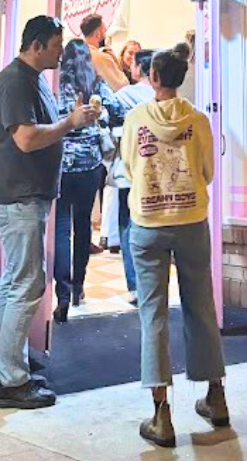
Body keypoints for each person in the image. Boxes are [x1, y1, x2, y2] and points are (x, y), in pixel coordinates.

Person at [0, 15, 98, 410]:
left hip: (27, 197)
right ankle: (10, 381)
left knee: (17, 282)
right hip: (18, 199)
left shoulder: (34, 82)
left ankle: (7, 365)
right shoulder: (16, 82)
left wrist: (73, 121)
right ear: (36, 45)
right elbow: (27, 139)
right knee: (26, 284)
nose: (59, 52)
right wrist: (71, 122)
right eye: (54, 45)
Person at [122, 48, 228, 448]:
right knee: (202, 306)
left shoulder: (136, 119)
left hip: (148, 225)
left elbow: (130, 167)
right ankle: (216, 397)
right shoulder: (198, 120)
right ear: (181, 77)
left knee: (154, 314)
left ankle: (161, 414)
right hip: (191, 221)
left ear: (152, 76)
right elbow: (208, 171)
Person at [53, 39, 120, 321]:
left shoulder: (57, 85)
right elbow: (117, 108)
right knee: (83, 227)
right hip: (90, 164)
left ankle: (63, 293)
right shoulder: (95, 86)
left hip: (61, 164)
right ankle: (79, 286)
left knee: (61, 227)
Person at [111, 47, 155, 304]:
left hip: (129, 169)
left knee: (127, 225)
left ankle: (135, 284)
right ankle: (152, 281)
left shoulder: (126, 95)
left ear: (140, 69)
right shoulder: (161, 97)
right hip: (154, 172)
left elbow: (109, 118)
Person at [80, 13, 129, 91]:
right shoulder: (101, 58)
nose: (105, 36)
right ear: (98, 34)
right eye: (104, 32)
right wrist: (116, 63)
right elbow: (122, 87)